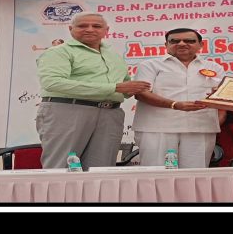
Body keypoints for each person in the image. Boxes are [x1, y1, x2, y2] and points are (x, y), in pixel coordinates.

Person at [36, 13, 151, 169]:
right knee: (61, 166)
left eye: (96, 26)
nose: (90, 29)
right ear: (70, 29)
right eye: (82, 26)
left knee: (102, 168)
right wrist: (115, 88)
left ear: (106, 30)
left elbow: (125, 88)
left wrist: (146, 88)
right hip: (68, 110)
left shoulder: (113, 56)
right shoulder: (59, 52)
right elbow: (52, 83)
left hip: (110, 114)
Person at [133, 28, 225, 168]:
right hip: (157, 128)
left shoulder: (214, 67)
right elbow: (141, 93)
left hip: (201, 127)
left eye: (189, 41)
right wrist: (174, 104)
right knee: (157, 173)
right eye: (175, 41)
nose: (182, 44)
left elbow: (223, 97)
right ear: (166, 45)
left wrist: (219, 118)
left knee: (195, 175)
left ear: (201, 45)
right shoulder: (150, 65)